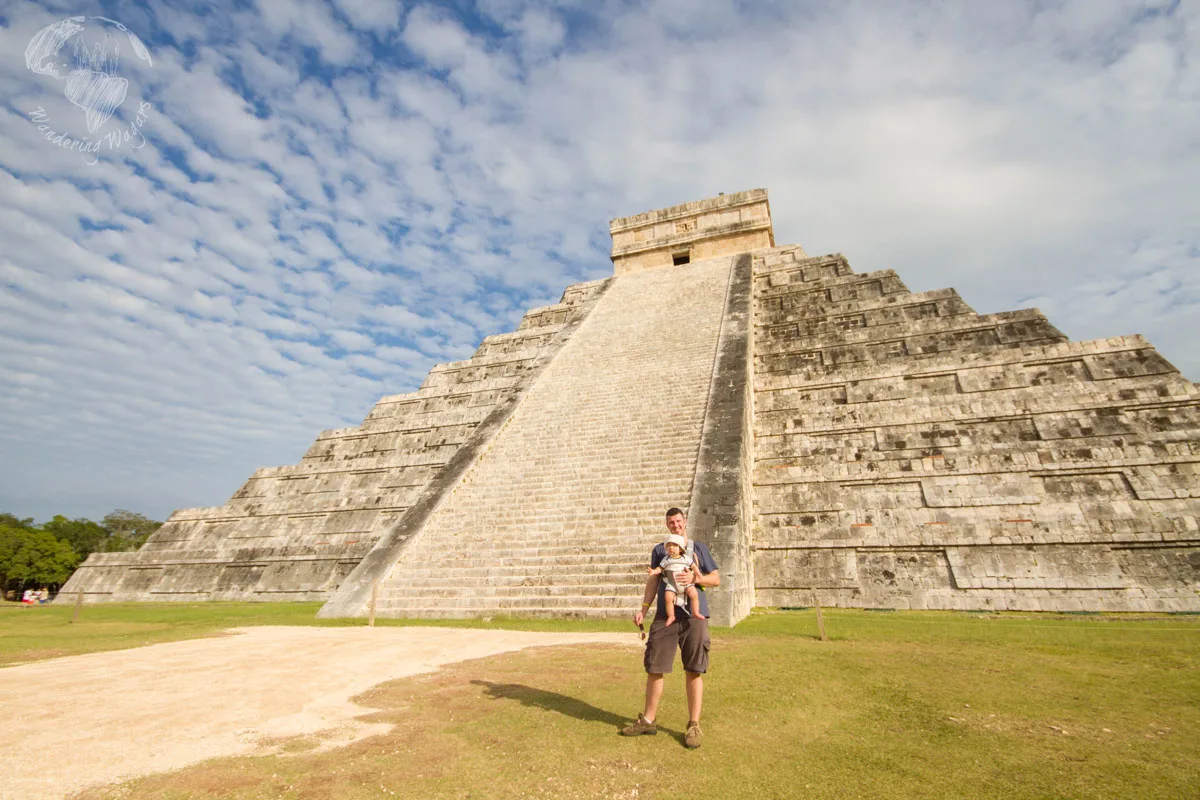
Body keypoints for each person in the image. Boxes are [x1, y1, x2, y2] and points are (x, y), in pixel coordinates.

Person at [621, 507, 719, 749]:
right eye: (671, 523)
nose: (675, 525)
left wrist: (696, 579)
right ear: (667, 525)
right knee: (655, 666)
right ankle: (648, 720)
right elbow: (653, 580)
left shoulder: (698, 549)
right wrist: (644, 608)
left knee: (694, 668)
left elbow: (715, 579)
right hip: (666, 615)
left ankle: (694, 724)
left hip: (694, 617)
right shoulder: (660, 550)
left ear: (684, 521)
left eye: (678, 521)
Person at [646, 533, 704, 625]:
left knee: (694, 594)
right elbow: (660, 568)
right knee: (668, 597)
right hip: (672, 584)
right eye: (669, 546)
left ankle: (696, 612)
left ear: (680, 548)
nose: (671, 548)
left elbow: (694, 566)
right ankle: (671, 616)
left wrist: (698, 574)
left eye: (674, 546)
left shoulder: (685, 558)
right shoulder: (666, 559)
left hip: (685, 583)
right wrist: (653, 571)